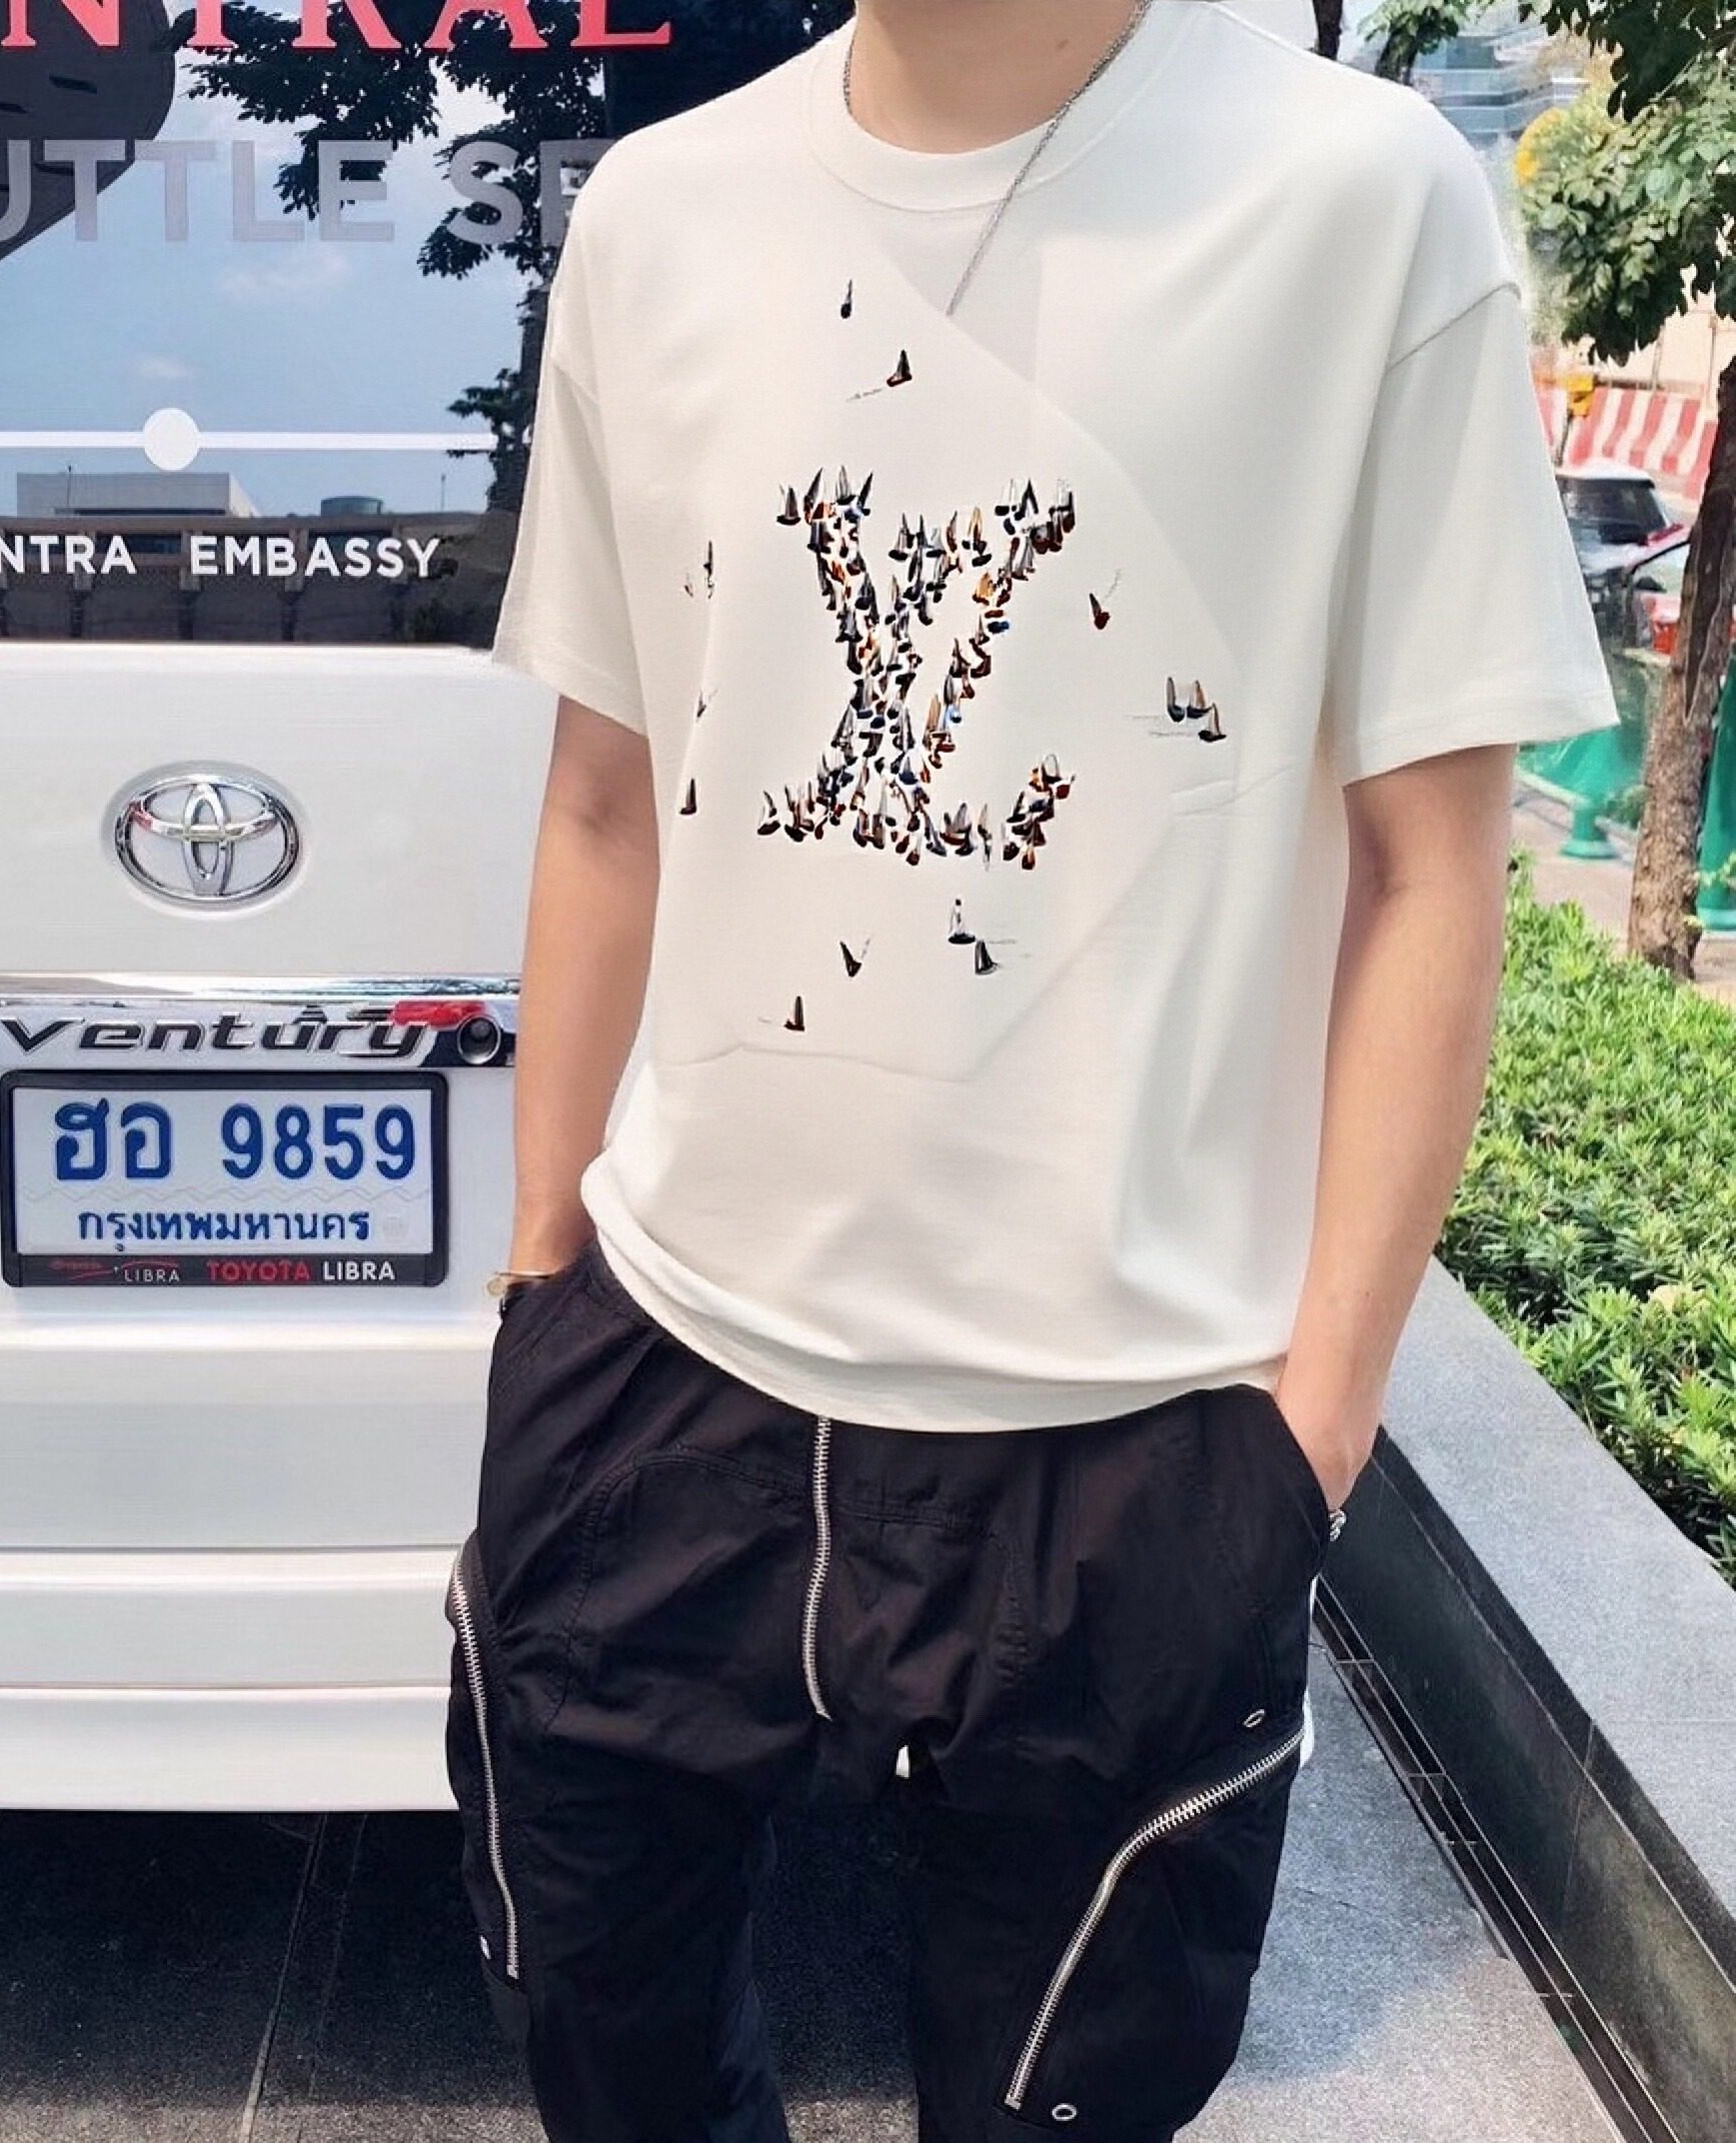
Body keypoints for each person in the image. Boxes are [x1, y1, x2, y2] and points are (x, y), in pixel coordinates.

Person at [446, 2, 1621, 2137]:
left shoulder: (1359, 202)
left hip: (1135, 1426)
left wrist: (1310, 1436)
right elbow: (605, 798)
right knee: (606, 2059)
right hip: (664, 1369)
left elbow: (1430, 869)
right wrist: (542, 1276)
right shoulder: (659, 211)